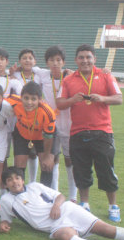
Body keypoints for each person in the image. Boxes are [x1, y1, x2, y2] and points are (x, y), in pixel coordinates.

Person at [56, 44, 123, 222]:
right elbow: (60, 103)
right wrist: (72, 100)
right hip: (78, 132)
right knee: (81, 170)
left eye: (88, 57)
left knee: (106, 170)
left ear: (94, 58)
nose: (85, 60)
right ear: (76, 60)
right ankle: (84, 204)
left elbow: (119, 98)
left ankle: (113, 206)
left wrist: (103, 98)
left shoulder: (106, 75)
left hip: (102, 131)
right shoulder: (69, 80)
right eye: (81, 57)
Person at [32, 45, 77, 200]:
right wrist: (13, 70)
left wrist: (105, 70)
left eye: (58, 60)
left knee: (70, 159)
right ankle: (55, 191)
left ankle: (73, 195)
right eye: (51, 60)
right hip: (50, 124)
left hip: (70, 122)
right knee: (53, 157)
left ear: (64, 62)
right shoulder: (43, 75)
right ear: (47, 63)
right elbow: (28, 66)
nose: (55, 63)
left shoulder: (71, 77)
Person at [6, 81, 56, 186]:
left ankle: (44, 195)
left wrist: (47, 156)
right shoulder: (14, 100)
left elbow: (48, 136)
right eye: (26, 98)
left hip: (42, 138)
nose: (29, 102)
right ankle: (19, 194)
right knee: (19, 166)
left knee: (46, 165)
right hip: (22, 135)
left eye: (33, 99)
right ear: (21, 97)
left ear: (40, 100)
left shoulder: (47, 113)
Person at [12, 48, 42, 182]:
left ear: (35, 61)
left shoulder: (41, 73)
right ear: (19, 61)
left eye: (30, 58)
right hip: (19, 119)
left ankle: (33, 182)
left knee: (34, 154)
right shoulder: (14, 75)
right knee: (20, 154)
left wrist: (67, 71)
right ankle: (19, 183)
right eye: (24, 58)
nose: (27, 60)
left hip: (38, 118)